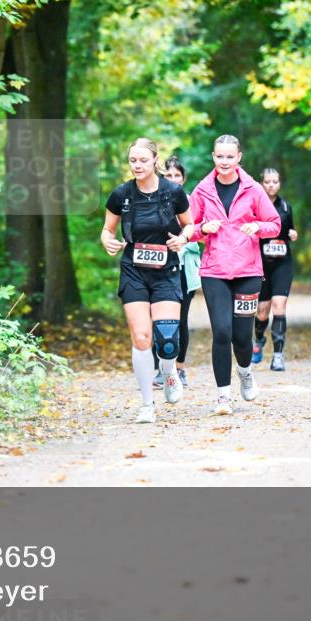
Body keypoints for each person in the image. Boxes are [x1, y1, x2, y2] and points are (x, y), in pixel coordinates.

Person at [102, 138, 194, 423]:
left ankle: (169, 373)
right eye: (133, 161)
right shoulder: (121, 195)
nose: (138, 165)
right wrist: (108, 241)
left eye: (143, 160)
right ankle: (146, 404)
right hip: (134, 269)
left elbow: (189, 224)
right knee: (141, 338)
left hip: (166, 268)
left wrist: (183, 239)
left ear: (155, 161)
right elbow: (107, 230)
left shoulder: (173, 192)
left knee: (167, 339)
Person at [188, 135, 281, 415]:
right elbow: (187, 229)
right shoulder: (202, 190)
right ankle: (222, 397)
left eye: (230, 157)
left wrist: (258, 228)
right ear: (213, 157)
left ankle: (245, 371)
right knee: (222, 332)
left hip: (248, 272)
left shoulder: (253, 189)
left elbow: (274, 224)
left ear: (239, 157)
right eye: (219, 157)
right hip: (214, 271)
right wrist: (203, 229)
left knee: (242, 337)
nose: (224, 162)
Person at [152, 156, 201, 390]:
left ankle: (179, 369)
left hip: (183, 269)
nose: (173, 179)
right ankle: (161, 369)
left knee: (180, 320)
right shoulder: (153, 201)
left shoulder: (191, 202)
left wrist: (182, 242)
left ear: (183, 179)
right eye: (168, 175)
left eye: (177, 176)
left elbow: (199, 234)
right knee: (159, 319)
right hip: (158, 268)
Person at [252, 168, 298, 371]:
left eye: (275, 181)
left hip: (282, 263)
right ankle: (259, 340)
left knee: (279, 306)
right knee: (262, 312)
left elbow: (290, 231)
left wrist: (292, 234)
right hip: (261, 264)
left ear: (279, 184)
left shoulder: (286, 207)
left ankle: (278, 355)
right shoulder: (255, 207)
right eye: (268, 182)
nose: (271, 185)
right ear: (262, 183)